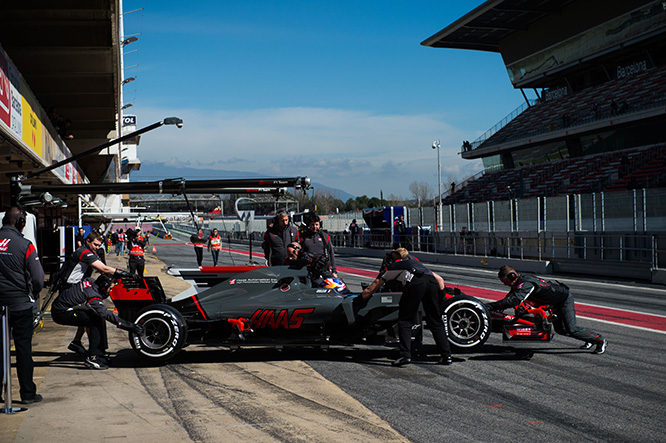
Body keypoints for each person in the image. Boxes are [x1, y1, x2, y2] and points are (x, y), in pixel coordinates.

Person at [360, 248, 452, 366]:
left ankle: (405, 355)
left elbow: (372, 287)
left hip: (415, 284)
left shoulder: (392, 268)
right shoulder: (416, 263)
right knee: (435, 321)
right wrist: (441, 299)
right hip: (432, 282)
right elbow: (440, 280)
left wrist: (360, 299)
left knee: (405, 320)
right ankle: (446, 356)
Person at [487, 265, 607, 354]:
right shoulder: (519, 281)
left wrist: (492, 306)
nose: (504, 284)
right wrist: (497, 308)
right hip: (553, 303)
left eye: (504, 282)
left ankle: (600, 340)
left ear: (511, 276)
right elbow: (510, 297)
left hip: (564, 299)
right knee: (561, 330)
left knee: (571, 329)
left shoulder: (526, 284)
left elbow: (514, 300)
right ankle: (588, 338)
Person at [55, 231, 132, 357]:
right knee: (93, 316)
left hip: (75, 286)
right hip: (69, 289)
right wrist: (123, 273)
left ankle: (78, 342)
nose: (97, 247)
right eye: (95, 244)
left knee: (88, 316)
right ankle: (95, 351)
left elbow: (102, 270)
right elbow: (104, 269)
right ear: (88, 242)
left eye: (99, 245)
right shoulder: (83, 252)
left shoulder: (90, 252)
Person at [0, 207, 45, 403]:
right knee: (23, 350)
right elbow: (38, 278)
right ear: (21, 223)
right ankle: (27, 394)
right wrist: (34, 293)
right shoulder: (25, 245)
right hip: (19, 305)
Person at [51, 275, 143, 369]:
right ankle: (93, 357)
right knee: (94, 320)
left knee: (96, 316)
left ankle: (100, 351)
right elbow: (108, 315)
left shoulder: (91, 281)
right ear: (103, 287)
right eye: (110, 288)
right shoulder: (93, 296)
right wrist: (130, 326)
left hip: (63, 306)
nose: (110, 291)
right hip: (61, 313)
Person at [300, 213, 337, 281]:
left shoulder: (325, 236)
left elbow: (331, 252)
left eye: (316, 224)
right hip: (308, 270)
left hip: (323, 268)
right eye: (312, 225)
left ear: (320, 225)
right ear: (309, 225)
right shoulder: (303, 237)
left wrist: (334, 271)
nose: (314, 227)